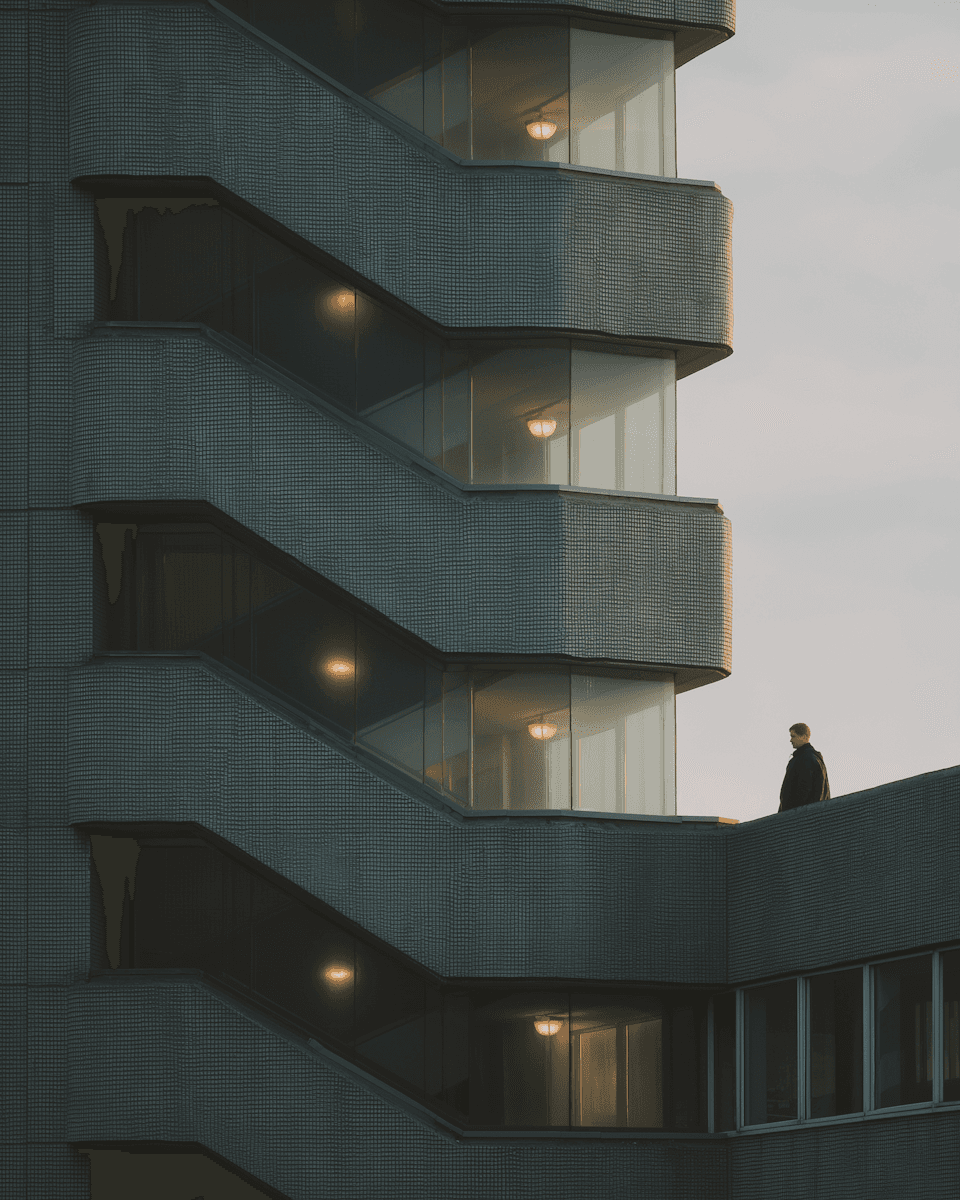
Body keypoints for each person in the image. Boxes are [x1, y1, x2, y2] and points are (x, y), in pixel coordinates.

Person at [778, 723, 830, 812]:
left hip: (800, 816)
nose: (790, 740)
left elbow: (803, 790)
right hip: (814, 813)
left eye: (793, 736)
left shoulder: (805, 759)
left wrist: (789, 813)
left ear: (804, 736)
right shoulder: (814, 759)